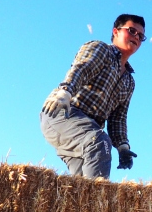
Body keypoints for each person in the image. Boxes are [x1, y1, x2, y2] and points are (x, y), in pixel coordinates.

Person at [41, 14, 144, 178]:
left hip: (88, 129)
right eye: (132, 31)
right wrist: (65, 91)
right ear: (116, 31)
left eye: (141, 36)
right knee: (99, 141)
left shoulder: (129, 81)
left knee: (83, 180)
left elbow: (118, 118)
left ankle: (84, 195)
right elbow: (82, 69)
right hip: (64, 112)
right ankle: (98, 196)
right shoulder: (101, 49)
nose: (136, 37)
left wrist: (123, 147)